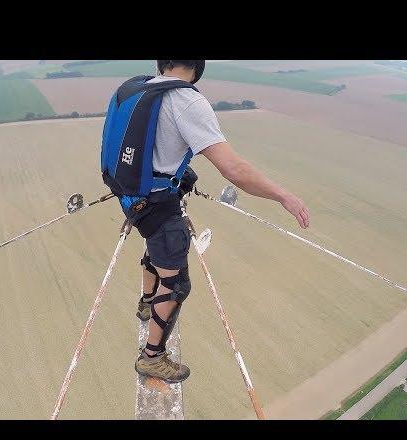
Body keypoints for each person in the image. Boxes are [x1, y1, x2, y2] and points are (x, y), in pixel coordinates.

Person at [100, 60, 310, 383]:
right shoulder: (187, 102)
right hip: (155, 204)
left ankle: (145, 304)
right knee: (175, 280)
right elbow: (234, 170)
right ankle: (152, 356)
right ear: (197, 66)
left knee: (155, 243)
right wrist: (283, 195)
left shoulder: (138, 88)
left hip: (128, 195)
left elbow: (150, 149)